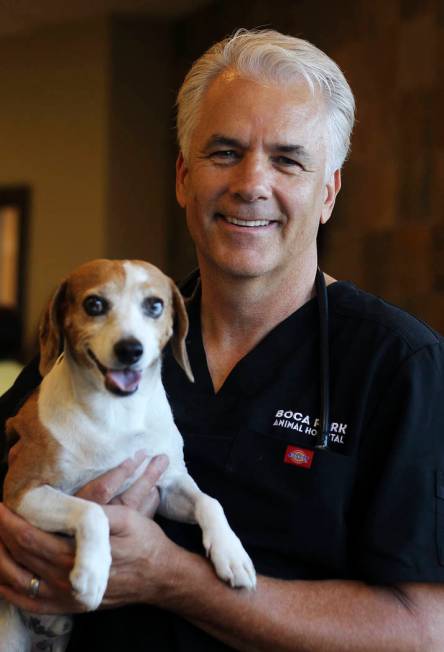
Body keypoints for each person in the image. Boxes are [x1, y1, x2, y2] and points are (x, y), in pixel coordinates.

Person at [0, 28, 444, 651]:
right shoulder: (104, 337)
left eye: (288, 159)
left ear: (329, 193)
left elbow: (425, 632)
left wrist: (173, 579)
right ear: (184, 177)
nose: (251, 183)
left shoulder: (400, 365)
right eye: (225, 152)